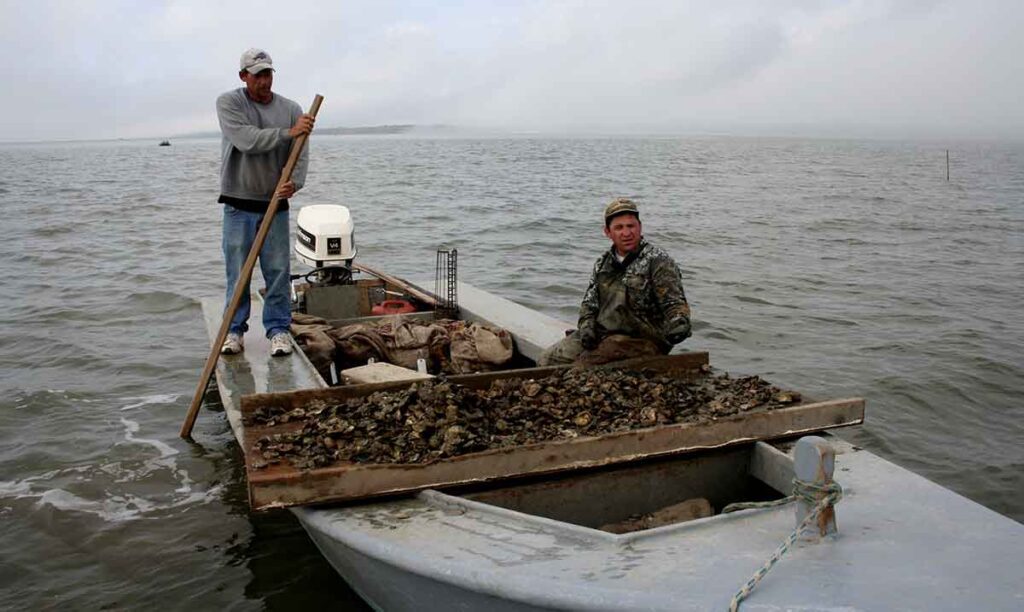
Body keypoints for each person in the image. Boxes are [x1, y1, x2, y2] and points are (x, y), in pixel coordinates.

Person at [216, 48, 314, 356]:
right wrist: (288, 132)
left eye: (268, 73)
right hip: (238, 202)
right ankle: (234, 331)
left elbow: (301, 151)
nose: (264, 80)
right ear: (243, 76)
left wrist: (294, 183)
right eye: (258, 75)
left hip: (275, 204)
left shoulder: (291, 108)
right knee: (238, 272)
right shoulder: (229, 103)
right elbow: (246, 140)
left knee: (277, 272)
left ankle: (278, 331)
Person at [538, 198, 692, 366]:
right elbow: (589, 304)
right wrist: (587, 328)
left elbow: (674, 304)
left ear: (639, 227)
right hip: (604, 335)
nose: (626, 233)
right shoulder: (602, 263)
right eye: (619, 227)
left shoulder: (658, 261)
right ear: (608, 232)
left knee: (582, 368)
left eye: (631, 226)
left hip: (642, 341)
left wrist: (680, 323)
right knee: (547, 359)